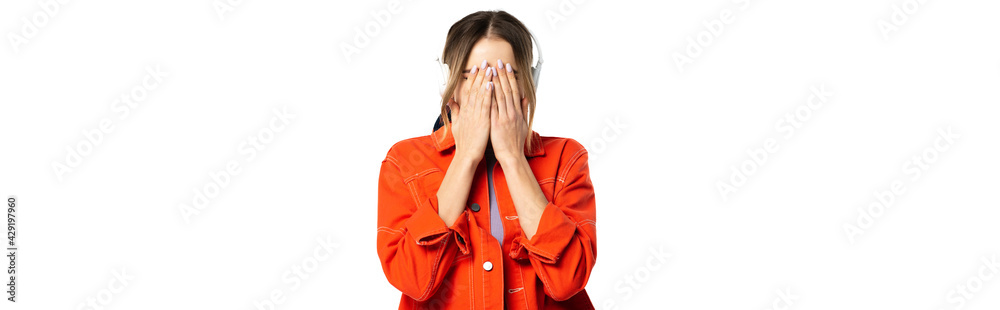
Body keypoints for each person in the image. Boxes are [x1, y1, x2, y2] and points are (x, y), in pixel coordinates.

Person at [376, 10, 597, 309]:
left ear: (529, 83)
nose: (490, 89)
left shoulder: (566, 157)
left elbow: (567, 282)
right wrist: (466, 156)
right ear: (450, 83)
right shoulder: (404, 161)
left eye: (507, 75)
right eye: (475, 76)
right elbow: (412, 281)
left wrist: (512, 157)